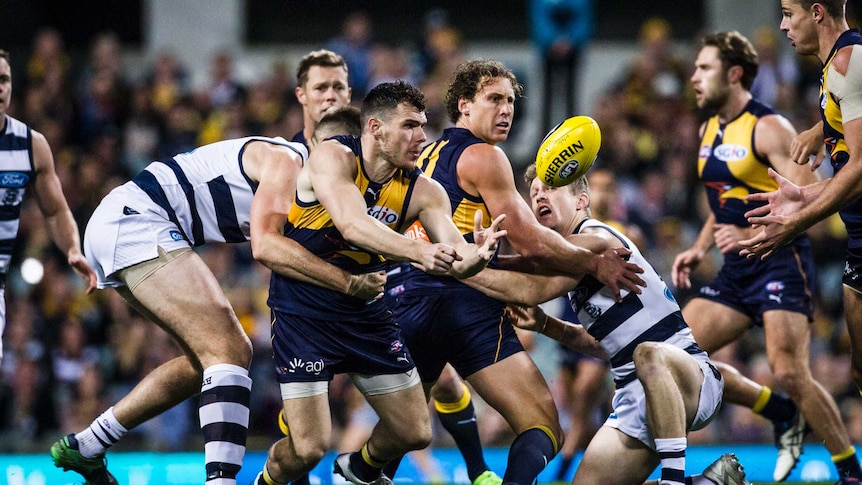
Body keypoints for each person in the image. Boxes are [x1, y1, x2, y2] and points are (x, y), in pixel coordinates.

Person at [49, 128, 387, 484]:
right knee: (230, 350)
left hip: (129, 222)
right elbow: (267, 247)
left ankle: (87, 445)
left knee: (206, 363)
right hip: (139, 220)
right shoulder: (291, 160)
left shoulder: (310, 183)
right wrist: (350, 283)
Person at [384, 59, 644, 485]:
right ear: (464, 105)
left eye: (510, 100)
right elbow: (533, 242)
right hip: (459, 302)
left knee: (402, 430)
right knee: (543, 425)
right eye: (494, 99)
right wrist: (593, 261)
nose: (506, 109)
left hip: (404, 301)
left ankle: (364, 475)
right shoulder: (485, 156)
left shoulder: (425, 153)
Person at [251, 80, 506, 485]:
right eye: (408, 126)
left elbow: (456, 258)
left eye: (422, 126)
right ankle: (265, 482)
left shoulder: (425, 190)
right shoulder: (332, 158)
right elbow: (353, 225)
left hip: (365, 312)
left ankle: (357, 469)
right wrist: (419, 252)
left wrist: (478, 256)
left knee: (414, 432)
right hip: (304, 311)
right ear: (374, 128)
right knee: (308, 447)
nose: (420, 137)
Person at [462, 166, 749, 485]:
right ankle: (708, 483)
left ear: (581, 200)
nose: (540, 195)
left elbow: (530, 288)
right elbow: (603, 346)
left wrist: (465, 268)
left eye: (551, 187)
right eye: (534, 193)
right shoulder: (572, 264)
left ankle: (673, 480)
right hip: (635, 393)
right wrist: (546, 325)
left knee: (647, 353)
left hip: (687, 377)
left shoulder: (599, 236)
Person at [672, 30, 862, 482]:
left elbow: (801, 199)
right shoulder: (706, 130)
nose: (694, 77)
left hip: (780, 258)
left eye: (704, 68)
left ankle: (851, 471)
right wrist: (699, 248)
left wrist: (748, 228)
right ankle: (778, 411)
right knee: (675, 354)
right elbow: (722, 200)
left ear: (734, 73)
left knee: (790, 371)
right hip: (737, 268)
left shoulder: (768, 127)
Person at [741, 8, 862, 469]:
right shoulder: (836, 64)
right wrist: (822, 132)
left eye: (790, 14)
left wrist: (801, 217)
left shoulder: (851, 62)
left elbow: (861, 167)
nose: (783, 26)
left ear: (817, 12)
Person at [0, 48, 97, 365]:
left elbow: (55, 211)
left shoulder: (31, 145)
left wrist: (72, 249)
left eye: (4, 80)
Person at [529, 0, 593, 135]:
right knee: (547, 98)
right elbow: (539, 15)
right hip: (548, 50)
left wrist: (571, 40)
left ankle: (574, 136)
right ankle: (543, 139)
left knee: (571, 96)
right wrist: (551, 40)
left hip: (573, 50)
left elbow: (583, 16)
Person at [291, 49, 353, 148]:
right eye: (320, 88)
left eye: (339, 88)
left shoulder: (367, 156)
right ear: (301, 95)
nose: (331, 96)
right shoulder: (290, 159)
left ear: (349, 95)